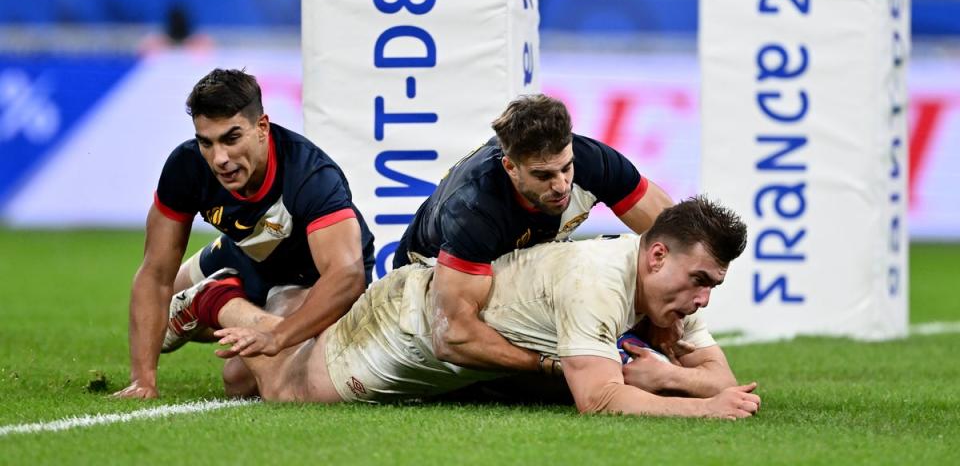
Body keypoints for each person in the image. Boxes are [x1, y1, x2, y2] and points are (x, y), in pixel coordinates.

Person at [191, 196, 759, 419]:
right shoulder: (599, 281)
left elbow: (721, 378)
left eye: (712, 286)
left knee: (239, 380)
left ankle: (282, 304)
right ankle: (220, 301)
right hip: (412, 324)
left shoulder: (674, 292)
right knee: (284, 392)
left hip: (452, 353)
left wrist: (668, 376)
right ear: (657, 255)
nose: (703, 299)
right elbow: (601, 398)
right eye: (700, 281)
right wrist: (699, 405)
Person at [113, 68, 374, 399]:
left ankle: (213, 301)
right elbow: (155, 274)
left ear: (261, 127)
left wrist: (278, 336)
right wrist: (143, 381)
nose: (220, 158)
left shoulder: (310, 175)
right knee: (157, 320)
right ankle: (208, 300)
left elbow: (345, 275)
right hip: (245, 253)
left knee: (239, 379)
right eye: (206, 142)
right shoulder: (187, 167)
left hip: (306, 278)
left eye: (231, 138)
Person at [391, 94, 674, 375]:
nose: (562, 185)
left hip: (503, 273)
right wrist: (549, 366)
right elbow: (453, 337)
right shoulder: (474, 209)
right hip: (420, 295)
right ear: (511, 167)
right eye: (544, 176)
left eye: (566, 168)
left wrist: (666, 312)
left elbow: (679, 240)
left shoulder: (592, 160)